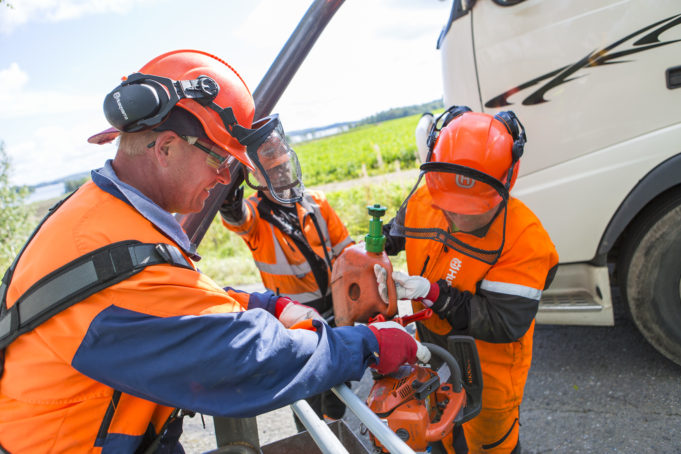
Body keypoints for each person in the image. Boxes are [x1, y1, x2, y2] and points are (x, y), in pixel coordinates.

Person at [0, 49, 430, 453]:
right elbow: (245, 358)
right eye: (219, 161)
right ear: (166, 148)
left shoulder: (104, 218)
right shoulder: (111, 248)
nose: (225, 178)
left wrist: (268, 304)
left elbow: (174, 298)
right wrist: (365, 345)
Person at [375, 106, 559, 454]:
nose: (456, 215)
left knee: (490, 445)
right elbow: (395, 237)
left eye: (471, 207)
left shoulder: (525, 239)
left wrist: (435, 295)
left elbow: (504, 320)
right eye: (448, 204)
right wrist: (372, 255)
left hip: (489, 378)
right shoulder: (424, 200)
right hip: (434, 360)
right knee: (439, 437)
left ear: (505, 181)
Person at [219, 137, 354, 426]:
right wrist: (229, 200)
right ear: (257, 176)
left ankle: (339, 433)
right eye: (274, 170)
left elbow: (348, 254)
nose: (282, 174)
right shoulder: (255, 215)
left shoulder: (316, 202)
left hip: (336, 311)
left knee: (339, 393)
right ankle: (313, 441)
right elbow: (237, 218)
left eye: (284, 167)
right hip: (295, 322)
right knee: (307, 398)